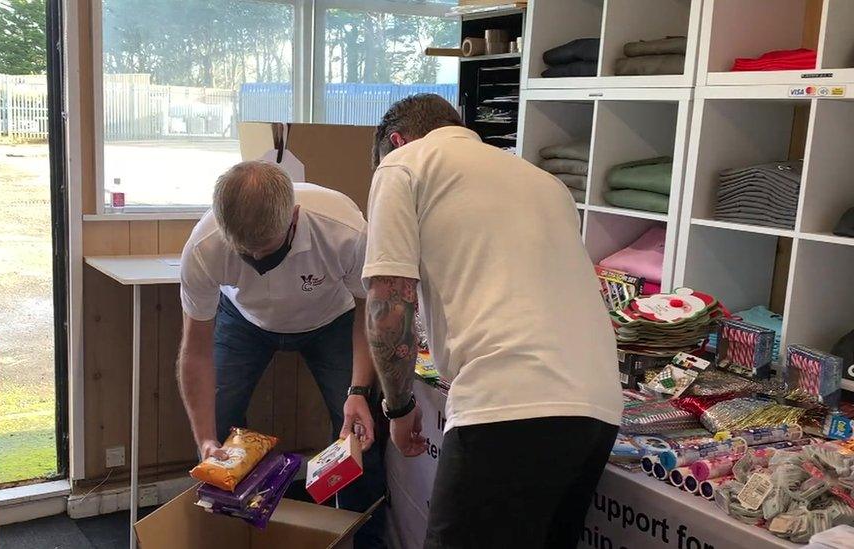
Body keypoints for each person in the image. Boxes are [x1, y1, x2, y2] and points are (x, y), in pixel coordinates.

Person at [363, 94, 623, 549]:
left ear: (397, 140)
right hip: (597, 407)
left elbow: (390, 302)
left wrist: (399, 409)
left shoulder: (402, 165)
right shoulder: (542, 180)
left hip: (507, 399)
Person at [177, 161, 386, 548]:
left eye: (267, 252)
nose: (257, 261)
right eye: (246, 254)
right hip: (243, 319)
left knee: (360, 431)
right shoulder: (204, 248)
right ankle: (236, 532)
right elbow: (195, 352)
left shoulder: (346, 232)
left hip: (331, 319)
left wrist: (358, 391)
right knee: (219, 428)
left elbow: (368, 317)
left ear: (294, 217)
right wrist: (205, 439)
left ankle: (364, 538)